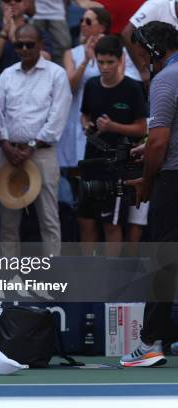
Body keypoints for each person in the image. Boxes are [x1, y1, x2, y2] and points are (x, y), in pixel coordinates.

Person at [121, 22, 178, 367]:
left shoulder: (166, 79)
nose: (140, 60)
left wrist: (146, 180)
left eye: (141, 54)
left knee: (164, 261)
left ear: (155, 50)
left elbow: (158, 141)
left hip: (174, 181)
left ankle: (150, 342)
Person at [0, 24, 71, 256]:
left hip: (42, 153)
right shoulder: (7, 75)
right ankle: (10, 277)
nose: (24, 48)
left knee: (48, 218)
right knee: (8, 221)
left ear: (41, 45)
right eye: (19, 45)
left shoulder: (56, 74)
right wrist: (6, 145)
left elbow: (58, 116)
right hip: (9, 153)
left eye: (30, 44)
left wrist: (30, 146)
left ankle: (52, 275)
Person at [78, 35, 148, 253]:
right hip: (92, 160)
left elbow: (142, 128)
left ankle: (111, 280)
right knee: (85, 221)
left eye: (110, 62)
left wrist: (113, 127)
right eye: (100, 62)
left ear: (120, 60)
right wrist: (88, 125)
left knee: (111, 223)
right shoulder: (91, 85)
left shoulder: (132, 88)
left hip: (118, 166)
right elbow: (84, 115)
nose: (105, 67)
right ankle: (88, 274)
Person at [60, 7, 142, 169]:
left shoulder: (118, 51)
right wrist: (85, 61)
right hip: (82, 116)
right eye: (81, 20)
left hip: (115, 118)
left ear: (103, 26)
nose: (83, 24)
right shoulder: (71, 53)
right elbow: (70, 86)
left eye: (88, 21)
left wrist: (105, 51)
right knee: (79, 171)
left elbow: (123, 80)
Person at [0, 0, 52, 91]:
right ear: (1, 4)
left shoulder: (39, 33)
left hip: (31, 94)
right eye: (7, 0)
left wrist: (15, 39)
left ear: (26, 3)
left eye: (17, 0)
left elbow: (46, 59)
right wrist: (4, 33)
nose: (12, 2)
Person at [121, 0, 178, 89]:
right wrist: (143, 71)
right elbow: (127, 33)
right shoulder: (157, 4)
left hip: (165, 76)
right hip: (135, 75)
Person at [30, 0, 71, 64]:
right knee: (32, 45)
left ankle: (60, 70)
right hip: (36, 13)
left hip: (57, 13)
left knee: (63, 47)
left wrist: (64, 10)